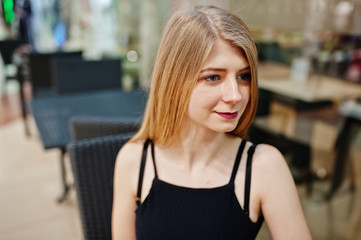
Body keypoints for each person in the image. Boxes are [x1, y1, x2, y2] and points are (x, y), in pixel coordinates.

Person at [112, 5, 311, 240]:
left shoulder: (263, 167)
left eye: (243, 76)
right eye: (213, 77)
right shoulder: (134, 161)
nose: (235, 95)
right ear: (174, 82)